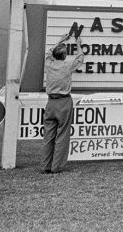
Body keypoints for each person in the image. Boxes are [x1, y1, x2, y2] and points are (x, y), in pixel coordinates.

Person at [41, 26, 85, 174]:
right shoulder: (67, 65)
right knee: (62, 135)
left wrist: (60, 40)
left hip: (50, 103)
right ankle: (57, 166)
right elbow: (80, 58)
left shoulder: (49, 64)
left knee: (48, 136)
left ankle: (45, 166)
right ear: (65, 56)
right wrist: (78, 44)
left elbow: (48, 53)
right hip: (64, 102)